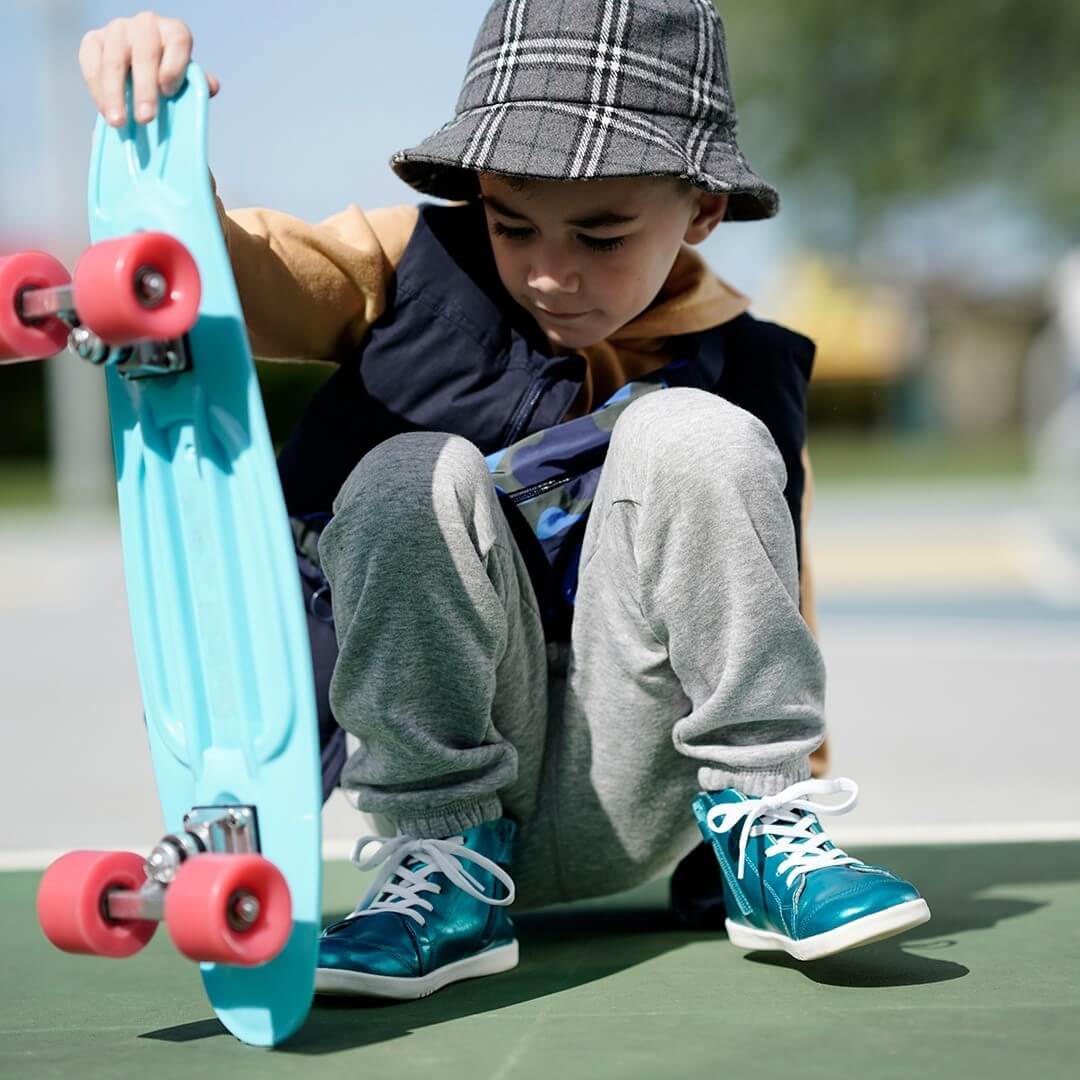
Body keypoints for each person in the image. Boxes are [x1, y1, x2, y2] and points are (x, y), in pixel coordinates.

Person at [79, 2, 930, 999]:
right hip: (448, 778)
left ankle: (763, 837)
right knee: (410, 468)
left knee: (691, 430)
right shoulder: (406, 265)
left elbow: (780, 611)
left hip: (649, 780)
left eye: (602, 234)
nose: (547, 271)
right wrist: (164, 163)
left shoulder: (744, 368)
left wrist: (780, 788)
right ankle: (446, 887)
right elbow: (246, 273)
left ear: (701, 210)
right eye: (509, 220)